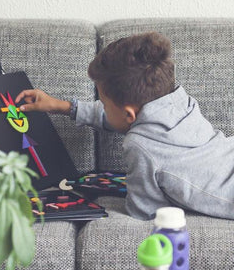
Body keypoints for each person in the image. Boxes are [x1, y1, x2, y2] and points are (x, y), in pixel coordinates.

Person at [15, 31, 234, 220]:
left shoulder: (140, 146)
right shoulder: (180, 102)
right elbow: (122, 115)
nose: (103, 108)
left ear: (129, 113)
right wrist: (64, 107)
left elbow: (145, 211)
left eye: (105, 104)